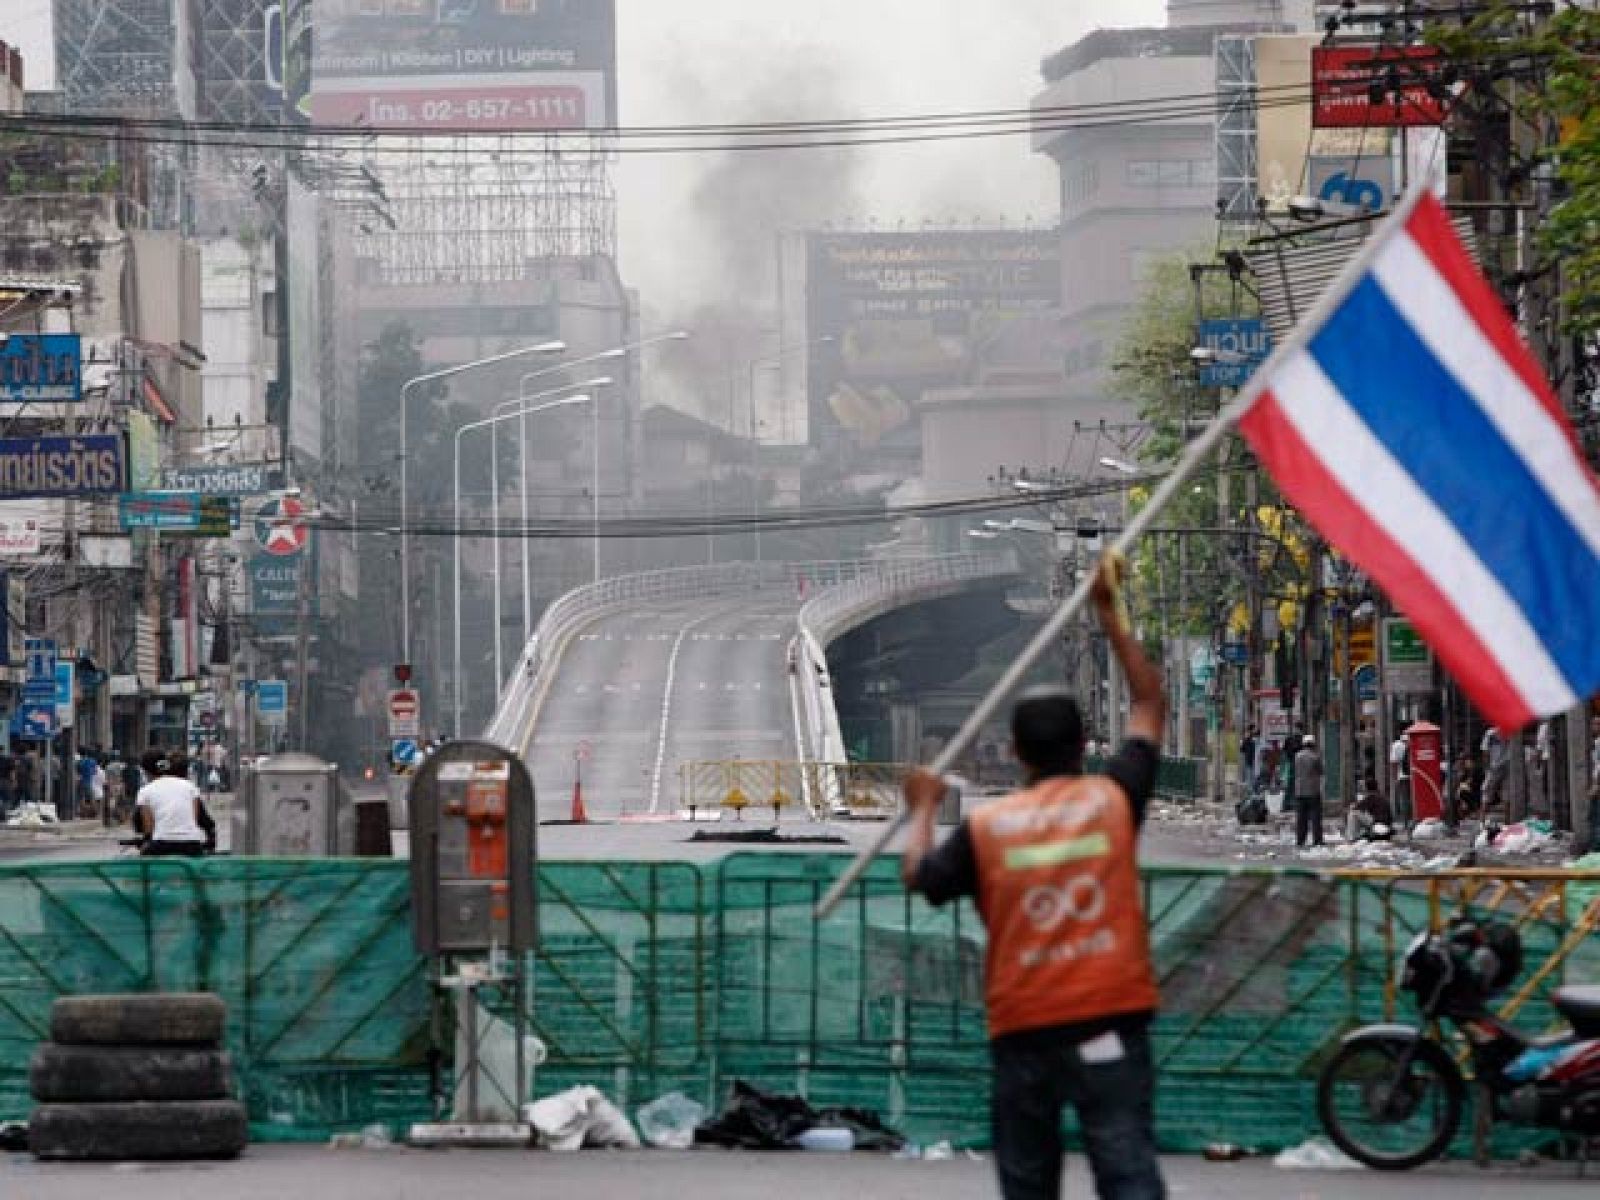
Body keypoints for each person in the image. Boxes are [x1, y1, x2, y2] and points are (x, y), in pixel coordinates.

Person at [901, 555, 1167, 1200]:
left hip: (1024, 1031)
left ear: (1015, 753)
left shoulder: (989, 830)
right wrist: (1109, 612)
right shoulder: (1113, 801)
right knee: (1125, 1161)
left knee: (1027, 1180)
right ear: (1083, 746)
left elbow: (920, 877)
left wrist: (923, 810)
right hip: (1110, 1016)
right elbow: (1150, 703)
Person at [133, 753, 215, 857]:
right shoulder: (190, 786)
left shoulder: (145, 791)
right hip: (191, 845)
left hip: (161, 845)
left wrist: (146, 842)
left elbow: (148, 828)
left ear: (145, 771)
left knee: (145, 860)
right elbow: (194, 818)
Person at [1293, 735, 1325, 848]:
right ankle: (1317, 840)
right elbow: (1321, 771)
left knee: (1301, 818)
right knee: (1315, 817)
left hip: (1299, 790)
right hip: (1313, 790)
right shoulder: (1315, 757)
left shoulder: (1297, 756)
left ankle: (1300, 840)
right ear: (1313, 744)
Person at [1345, 774, 1394, 842]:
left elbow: (1356, 808)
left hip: (1378, 824)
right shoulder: (1382, 797)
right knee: (1359, 813)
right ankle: (1356, 835)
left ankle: (1351, 838)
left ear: (1367, 788)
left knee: (1353, 813)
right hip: (1386, 825)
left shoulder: (1370, 797)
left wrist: (1351, 807)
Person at [1390, 731, 1412, 828]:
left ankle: (1406, 823)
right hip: (1416, 776)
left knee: (1404, 800)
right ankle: (1413, 821)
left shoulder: (1397, 745)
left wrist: (1394, 778)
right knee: (1412, 799)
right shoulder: (1413, 742)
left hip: (1403, 776)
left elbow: (1394, 762)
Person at [1239, 726, 1258, 798]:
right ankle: (1250, 793)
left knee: (1253, 777)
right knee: (1250, 777)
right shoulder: (1246, 740)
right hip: (1249, 761)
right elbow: (1242, 750)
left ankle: (1252, 792)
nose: (1250, 732)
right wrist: (1242, 742)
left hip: (1254, 761)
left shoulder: (1254, 739)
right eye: (1251, 730)